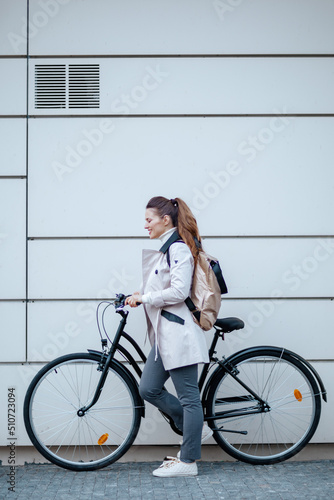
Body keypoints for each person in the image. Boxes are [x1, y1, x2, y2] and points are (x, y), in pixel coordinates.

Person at [125, 196, 212, 477]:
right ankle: (194, 427)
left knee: (189, 399)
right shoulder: (166, 250)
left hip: (179, 335)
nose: (145, 225)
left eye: (148, 219)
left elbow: (178, 291)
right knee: (148, 388)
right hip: (165, 337)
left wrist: (146, 298)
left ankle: (188, 462)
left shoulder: (179, 249)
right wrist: (139, 296)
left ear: (165, 219)